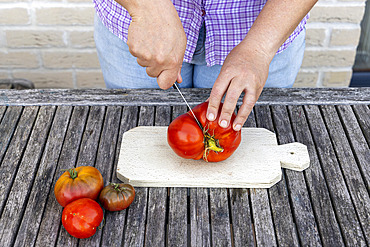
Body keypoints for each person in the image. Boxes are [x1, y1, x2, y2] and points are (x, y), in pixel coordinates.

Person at [93, 0, 317, 131]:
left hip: (265, 27)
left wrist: (259, 48)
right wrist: (147, 8)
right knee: (135, 129)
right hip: (138, 25)